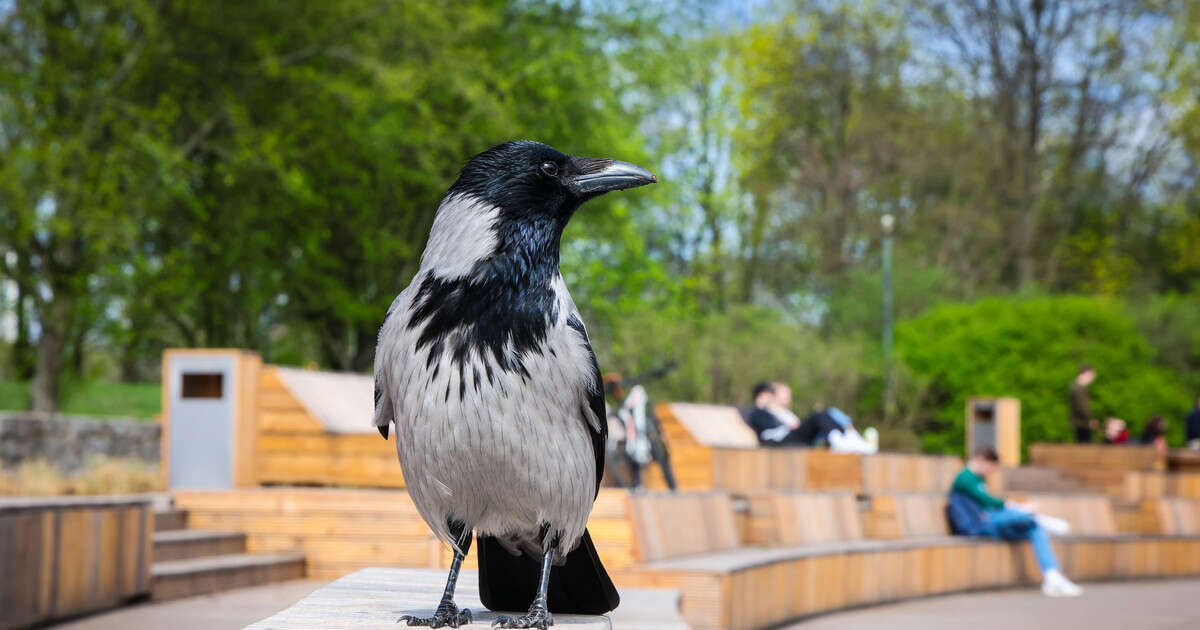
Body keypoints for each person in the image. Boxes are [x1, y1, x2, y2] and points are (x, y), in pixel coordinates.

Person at [946, 447, 1083, 597]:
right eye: (991, 467)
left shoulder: (979, 478)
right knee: (1020, 513)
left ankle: (1052, 576)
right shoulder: (964, 478)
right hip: (978, 525)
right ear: (982, 461)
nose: (991, 472)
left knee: (1035, 529)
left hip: (994, 523)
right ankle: (1035, 517)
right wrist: (1013, 506)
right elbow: (986, 501)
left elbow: (987, 504)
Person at [1068, 365, 1097, 443]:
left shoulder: (1075, 387)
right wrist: (1090, 419)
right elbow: (1082, 407)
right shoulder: (1078, 389)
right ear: (1086, 374)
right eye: (1091, 377)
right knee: (1085, 449)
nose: (1092, 380)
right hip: (1083, 424)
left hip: (1079, 423)